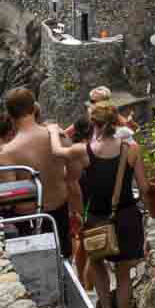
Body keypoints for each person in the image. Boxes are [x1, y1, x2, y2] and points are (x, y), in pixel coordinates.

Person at [52, 102, 149, 308]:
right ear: (116, 122)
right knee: (123, 273)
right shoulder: (132, 149)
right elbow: (144, 186)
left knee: (97, 263)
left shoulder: (84, 151)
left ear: (92, 124)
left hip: (95, 218)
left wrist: (52, 130)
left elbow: (57, 152)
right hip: (126, 215)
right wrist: (144, 208)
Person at [0, 87, 74, 257]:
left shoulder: (8, 153)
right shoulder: (58, 136)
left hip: (31, 223)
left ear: (9, 115)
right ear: (34, 108)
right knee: (65, 262)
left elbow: (9, 202)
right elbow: (77, 170)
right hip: (60, 213)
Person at [66, 118, 95, 287]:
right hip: (89, 199)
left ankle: (82, 280)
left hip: (76, 200)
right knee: (90, 244)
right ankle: (88, 284)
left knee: (80, 240)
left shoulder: (70, 150)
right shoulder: (89, 150)